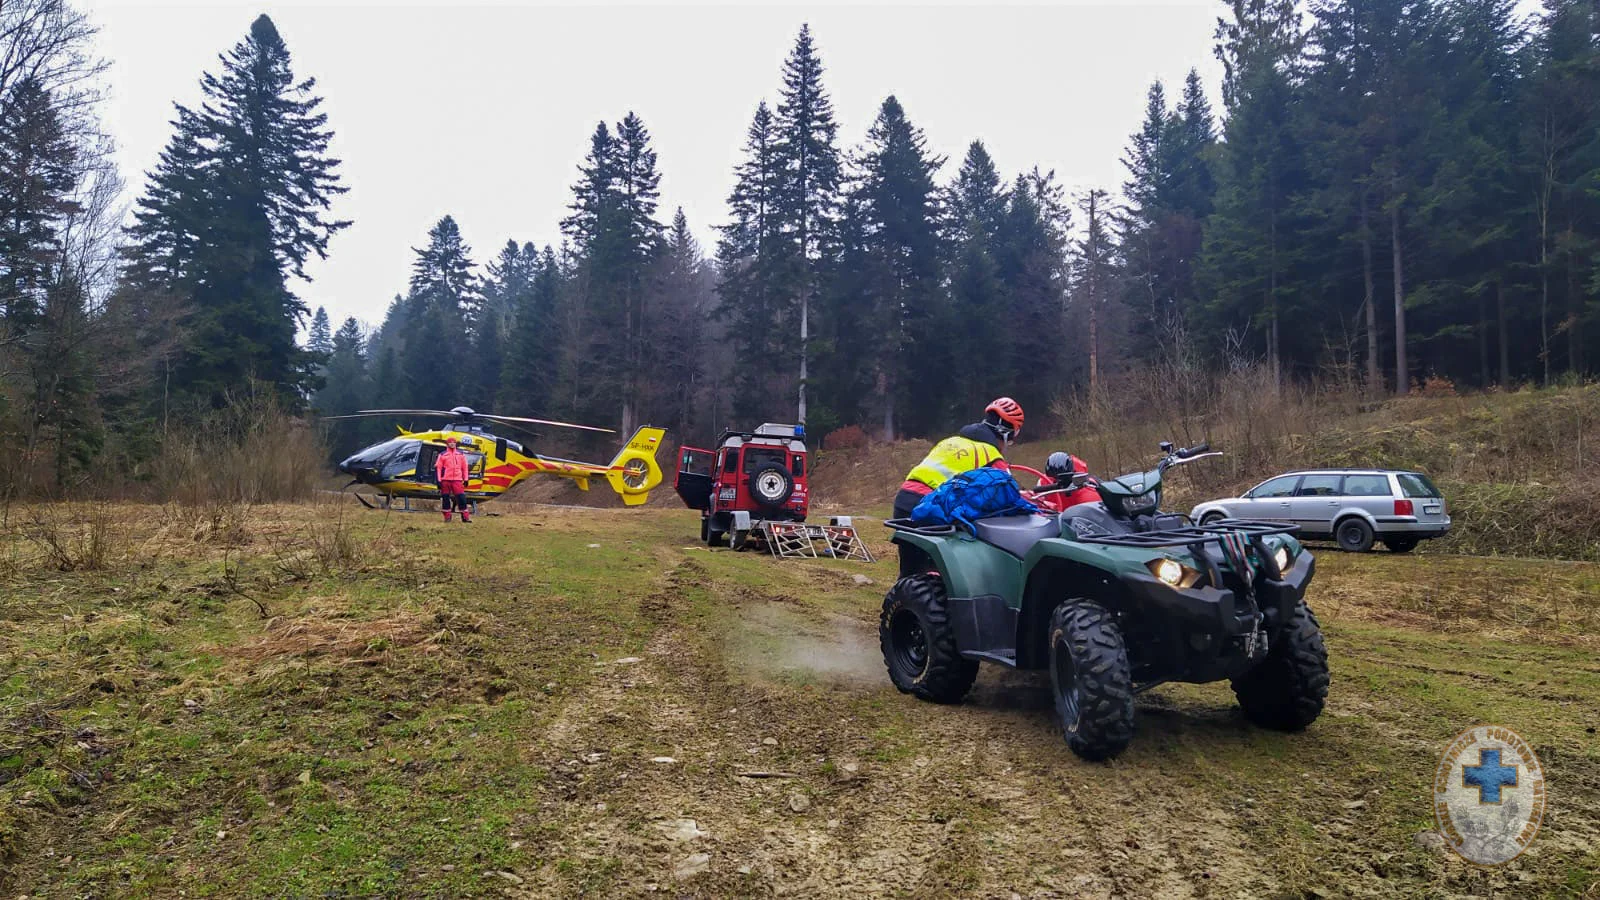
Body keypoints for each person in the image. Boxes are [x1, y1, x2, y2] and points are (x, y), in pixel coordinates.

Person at [892, 397, 1023, 576]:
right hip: (930, 508)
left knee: (910, 573)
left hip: (904, 500)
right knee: (940, 577)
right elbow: (1010, 492)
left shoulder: (950, 441)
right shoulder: (990, 453)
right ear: (1006, 434)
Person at [436, 436, 471, 523]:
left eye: (454, 442)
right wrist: (439, 480)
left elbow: (465, 467)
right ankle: (447, 517)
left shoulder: (461, 454)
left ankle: (465, 517)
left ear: (456, 444)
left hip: (457, 480)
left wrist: (466, 479)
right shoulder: (442, 454)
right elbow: (438, 468)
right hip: (445, 480)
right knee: (445, 498)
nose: (452, 443)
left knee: (461, 498)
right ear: (447, 444)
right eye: (450, 442)